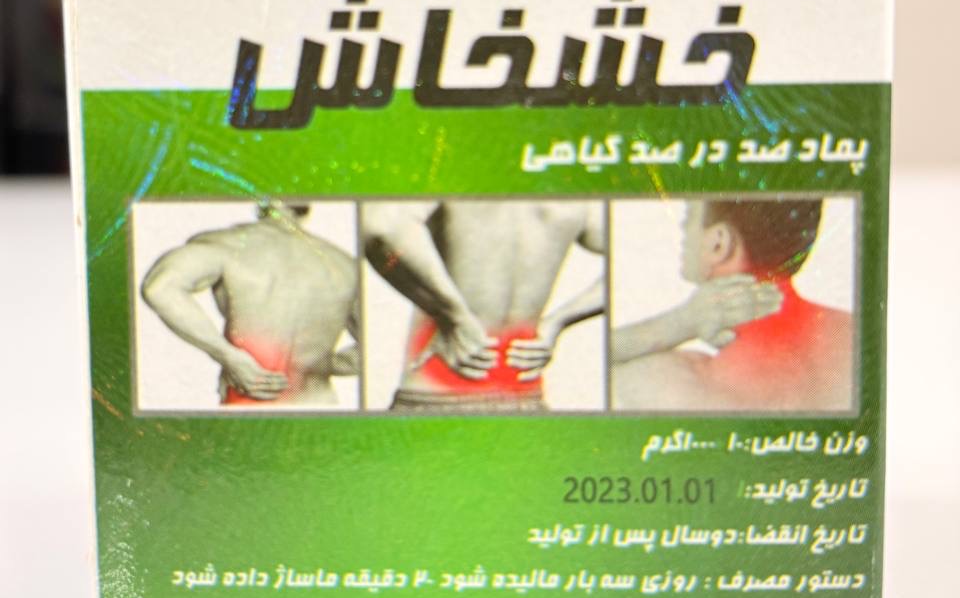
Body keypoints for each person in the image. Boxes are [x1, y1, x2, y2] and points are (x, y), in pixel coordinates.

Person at [611, 198, 854, 413]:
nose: (683, 228)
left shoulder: (660, 385)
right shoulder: (859, 336)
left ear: (719, 244)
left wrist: (677, 323)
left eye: (689, 216)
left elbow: (592, 363)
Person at [363, 200, 606, 413]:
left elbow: (382, 225)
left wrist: (454, 317)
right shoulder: (569, 192)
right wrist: (557, 321)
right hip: (525, 400)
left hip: (438, 397)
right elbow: (626, 260)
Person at [141, 202, 359, 407]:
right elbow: (372, 347)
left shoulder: (229, 244)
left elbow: (159, 287)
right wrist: (321, 364)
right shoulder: (345, 264)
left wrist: (228, 356)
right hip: (319, 405)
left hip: (249, 405)